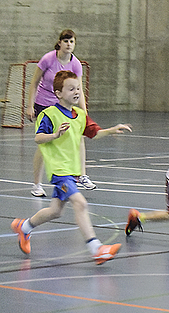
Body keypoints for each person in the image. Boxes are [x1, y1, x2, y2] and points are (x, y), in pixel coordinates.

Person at [11, 71, 131, 264]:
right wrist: (55, 135)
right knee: (81, 203)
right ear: (58, 93)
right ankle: (96, 249)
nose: (76, 92)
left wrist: (110, 130)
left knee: (55, 211)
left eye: (78, 88)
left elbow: (94, 133)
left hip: (72, 172)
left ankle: (23, 227)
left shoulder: (80, 115)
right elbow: (38, 137)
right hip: (60, 172)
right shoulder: (50, 114)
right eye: (71, 89)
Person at [26, 29, 94, 197]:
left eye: (72, 42)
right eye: (66, 41)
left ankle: (82, 175)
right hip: (45, 106)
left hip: (65, 105)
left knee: (78, 137)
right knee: (45, 145)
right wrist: (29, 106)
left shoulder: (76, 64)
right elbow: (34, 83)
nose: (69, 44)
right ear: (60, 43)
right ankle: (37, 184)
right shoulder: (48, 59)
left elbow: (79, 90)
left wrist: (84, 113)